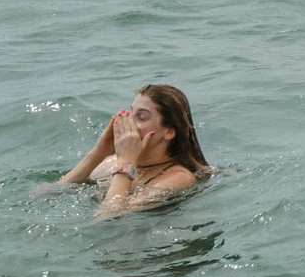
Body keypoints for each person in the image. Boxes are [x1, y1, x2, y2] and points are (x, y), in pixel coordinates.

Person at [58, 84, 210, 215]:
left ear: (169, 132)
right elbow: (48, 193)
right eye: (131, 113)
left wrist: (126, 162)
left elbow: (109, 216)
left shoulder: (178, 177)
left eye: (142, 117)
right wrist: (99, 152)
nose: (129, 121)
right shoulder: (110, 163)